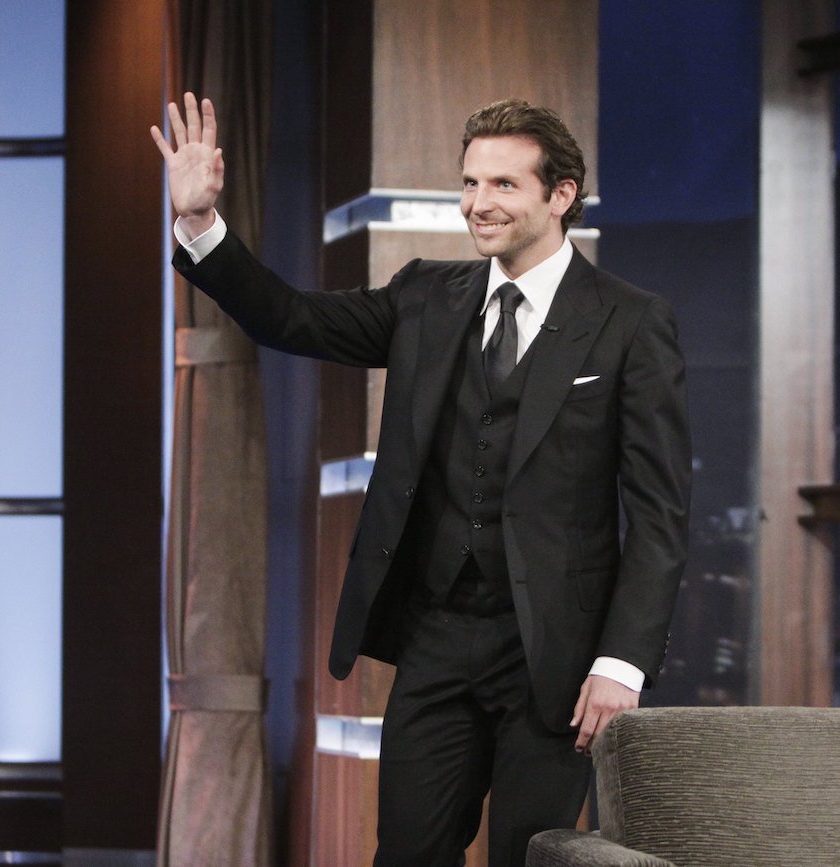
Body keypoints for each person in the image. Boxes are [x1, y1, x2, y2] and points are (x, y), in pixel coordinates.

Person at [151, 92, 691, 866]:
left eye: (503, 185)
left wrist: (621, 662)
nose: (479, 204)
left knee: (533, 856)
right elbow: (292, 319)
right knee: (404, 853)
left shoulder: (631, 321)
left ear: (560, 195)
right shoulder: (425, 296)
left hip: (557, 657)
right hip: (436, 636)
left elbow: (661, 512)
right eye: (469, 184)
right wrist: (202, 226)